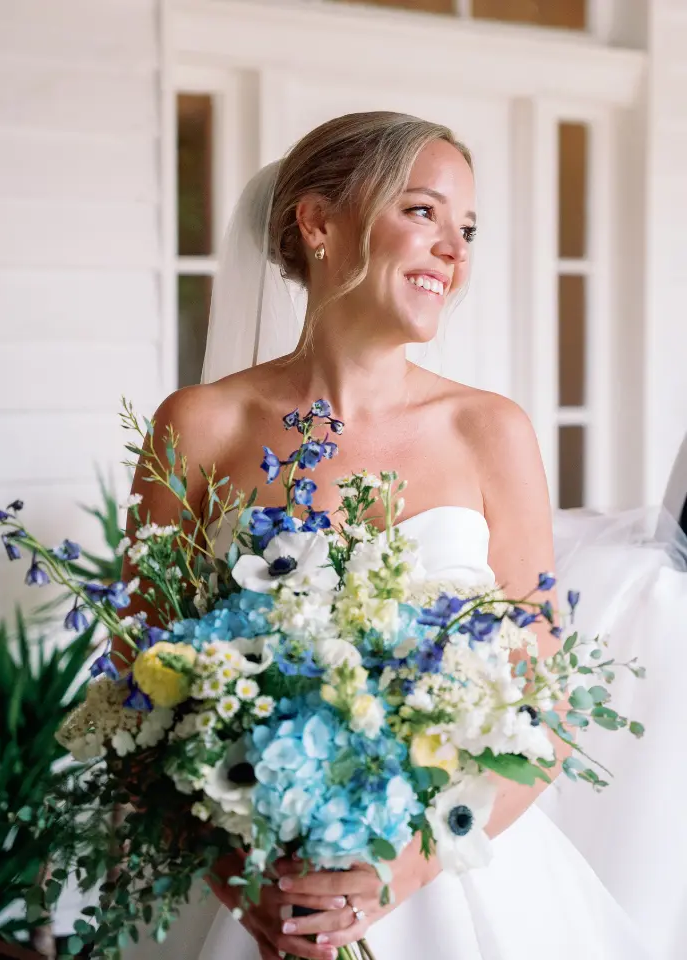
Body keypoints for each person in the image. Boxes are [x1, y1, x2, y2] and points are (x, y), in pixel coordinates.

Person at [121, 112, 684, 960]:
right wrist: (240, 881)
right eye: (423, 212)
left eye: (467, 228)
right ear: (318, 223)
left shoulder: (489, 430)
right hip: (257, 893)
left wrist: (410, 868)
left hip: (458, 887)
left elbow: (546, 706)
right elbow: (141, 691)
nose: (455, 252)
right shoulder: (197, 426)